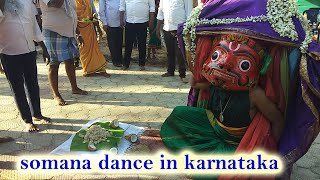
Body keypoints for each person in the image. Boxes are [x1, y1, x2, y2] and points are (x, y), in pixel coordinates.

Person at [137, 0, 320, 179]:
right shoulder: (217, 83)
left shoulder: (255, 94)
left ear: (261, 68)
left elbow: (278, 121)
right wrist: (199, 65)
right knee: (178, 116)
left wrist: (274, 152)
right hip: (214, 130)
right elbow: (195, 83)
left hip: (239, 148)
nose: (225, 66)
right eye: (218, 55)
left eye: (243, 63)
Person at [0, 0, 51, 132]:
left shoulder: (27, 2)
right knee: (18, 88)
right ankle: (27, 120)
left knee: (33, 84)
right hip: (9, 53)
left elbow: (34, 25)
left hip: (29, 50)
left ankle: (37, 113)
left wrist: (44, 48)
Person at [39, 0, 88, 106]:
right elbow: (56, 4)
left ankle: (74, 88)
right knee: (54, 64)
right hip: (53, 32)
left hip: (69, 32)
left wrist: (78, 33)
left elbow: (72, 13)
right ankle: (56, 94)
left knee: (70, 60)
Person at [156, 0, 193, 83]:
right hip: (167, 27)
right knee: (170, 52)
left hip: (180, 28)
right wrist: (158, 27)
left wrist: (187, 28)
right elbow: (160, 11)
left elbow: (189, 12)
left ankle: (182, 74)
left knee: (180, 53)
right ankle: (170, 71)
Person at [75, 0, 111, 77]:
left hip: (90, 29)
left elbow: (93, 13)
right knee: (84, 50)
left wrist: (97, 25)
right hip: (80, 31)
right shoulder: (73, 3)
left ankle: (100, 69)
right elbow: (76, 20)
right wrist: (79, 34)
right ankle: (88, 70)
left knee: (95, 49)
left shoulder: (88, 1)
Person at [120, 0, 155, 71]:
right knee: (128, 44)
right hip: (130, 22)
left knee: (142, 44)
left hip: (142, 22)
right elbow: (122, 7)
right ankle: (126, 64)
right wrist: (121, 20)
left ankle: (142, 64)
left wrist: (151, 20)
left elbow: (152, 7)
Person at [99, 0, 123, 68]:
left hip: (120, 22)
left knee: (119, 42)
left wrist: (123, 20)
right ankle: (115, 60)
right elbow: (101, 10)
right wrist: (104, 23)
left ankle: (120, 59)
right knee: (112, 43)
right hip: (110, 23)